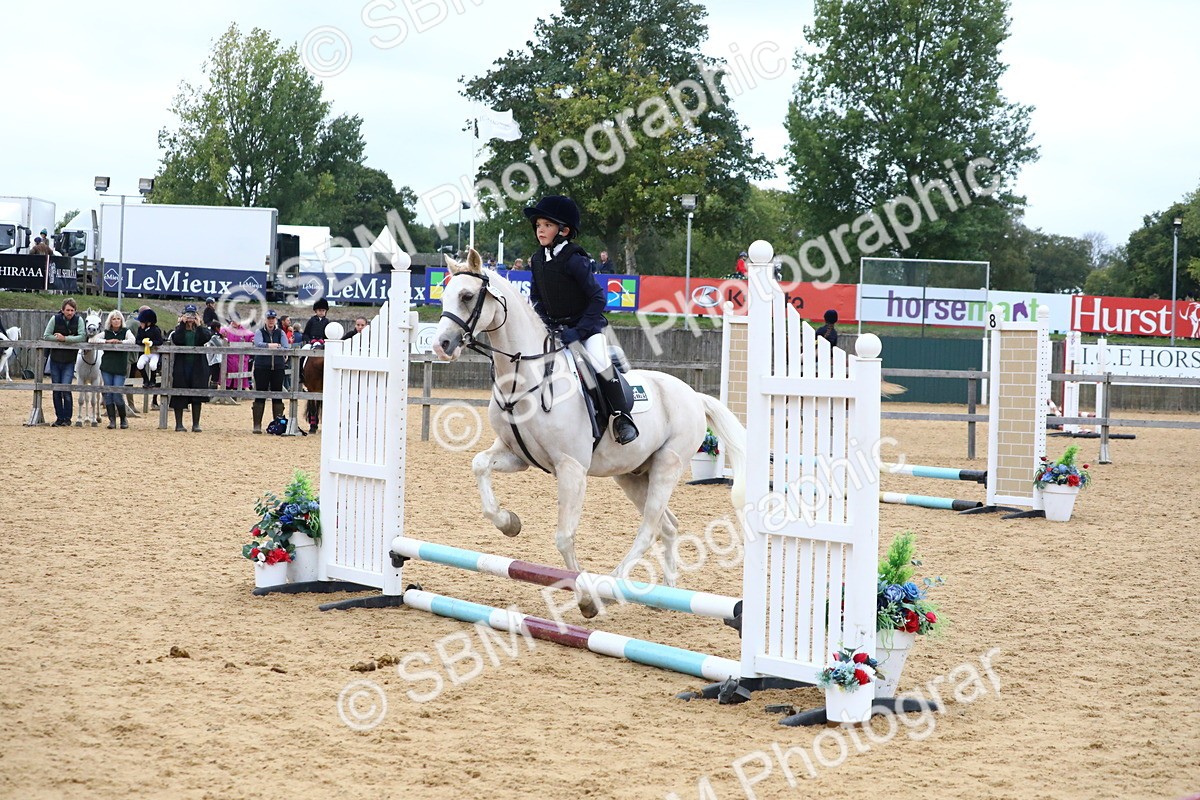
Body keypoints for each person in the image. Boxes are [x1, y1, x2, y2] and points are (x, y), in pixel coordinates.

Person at [523, 195, 637, 445]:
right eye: (538, 225)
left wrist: (579, 331)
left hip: (586, 328)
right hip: (556, 329)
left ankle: (622, 417)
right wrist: (545, 320)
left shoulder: (575, 259)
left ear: (563, 230)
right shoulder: (538, 260)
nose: (540, 229)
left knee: (598, 362)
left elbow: (597, 298)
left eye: (547, 225)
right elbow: (536, 297)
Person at [168, 304, 213, 432]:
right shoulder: (178, 330)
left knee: (197, 393)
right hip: (182, 366)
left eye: (193, 315)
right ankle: (179, 424)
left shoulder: (200, 330)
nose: (190, 318)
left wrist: (199, 325)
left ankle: (196, 423)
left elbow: (205, 338)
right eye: (188, 315)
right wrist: (182, 325)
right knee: (179, 393)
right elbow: (178, 340)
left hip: (197, 366)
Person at [42, 298, 86, 426]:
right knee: (56, 389)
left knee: (66, 388)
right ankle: (59, 418)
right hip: (55, 359)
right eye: (68, 310)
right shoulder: (55, 319)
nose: (70, 312)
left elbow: (82, 336)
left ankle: (67, 418)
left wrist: (64, 338)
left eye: (72, 310)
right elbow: (46, 335)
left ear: (75, 311)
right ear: (62, 310)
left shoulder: (79, 320)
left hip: (69, 360)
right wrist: (59, 339)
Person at [251, 309, 290, 434]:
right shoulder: (259, 331)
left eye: (273, 318)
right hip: (262, 366)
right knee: (260, 394)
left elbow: (286, 347)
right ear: (265, 319)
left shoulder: (281, 333)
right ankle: (257, 425)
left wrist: (271, 346)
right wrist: (272, 345)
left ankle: (277, 423)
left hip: (277, 366)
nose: (271, 320)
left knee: (277, 395)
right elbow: (258, 344)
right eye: (269, 318)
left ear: (275, 320)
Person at [100, 310, 135, 429]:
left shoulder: (126, 331)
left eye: (118, 318)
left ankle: (123, 418)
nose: (116, 321)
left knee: (117, 394)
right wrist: (106, 341)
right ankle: (112, 420)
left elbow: (132, 340)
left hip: (120, 366)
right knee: (108, 394)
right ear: (110, 321)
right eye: (113, 319)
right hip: (107, 366)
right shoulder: (106, 332)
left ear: (121, 321)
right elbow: (92, 339)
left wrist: (120, 342)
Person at [134, 308, 165, 407]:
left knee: (153, 365)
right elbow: (137, 340)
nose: (141, 324)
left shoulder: (156, 329)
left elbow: (160, 341)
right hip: (145, 353)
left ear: (148, 322)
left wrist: (152, 343)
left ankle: (153, 380)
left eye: (142, 322)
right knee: (139, 364)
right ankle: (145, 380)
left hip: (154, 353)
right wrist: (142, 342)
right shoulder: (140, 329)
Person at [220, 315, 254, 389]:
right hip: (229, 359)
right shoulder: (226, 330)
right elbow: (221, 331)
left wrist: (252, 339)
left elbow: (251, 336)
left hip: (241, 360)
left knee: (240, 378)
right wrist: (222, 333)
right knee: (227, 379)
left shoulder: (245, 331)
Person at [205, 320, 225, 389]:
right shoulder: (213, 336)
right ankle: (212, 391)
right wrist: (223, 338)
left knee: (212, 376)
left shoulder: (210, 334)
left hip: (212, 358)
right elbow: (220, 345)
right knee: (214, 376)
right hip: (213, 359)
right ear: (216, 328)